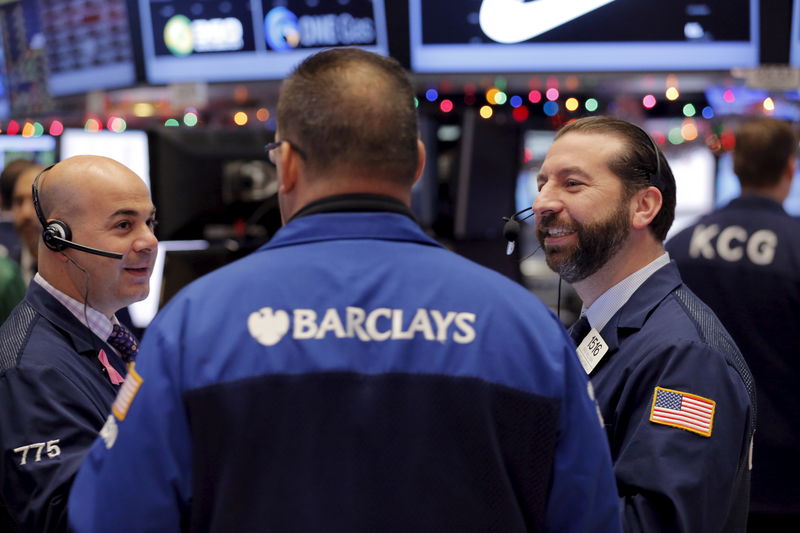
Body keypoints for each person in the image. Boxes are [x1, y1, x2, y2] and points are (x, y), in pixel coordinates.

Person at [68, 48, 621, 533]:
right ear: (418, 166)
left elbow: (109, 516)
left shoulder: (192, 325)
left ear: (284, 165)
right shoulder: (528, 331)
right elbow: (591, 516)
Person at [533, 116, 755, 532]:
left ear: (644, 206)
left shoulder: (686, 360)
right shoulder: (595, 331)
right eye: (543, 182)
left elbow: (652, 525)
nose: (544, 201)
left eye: (572, 183)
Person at [0, 155, 157, 532]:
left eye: (150, 222)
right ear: (59, 238)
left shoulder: (105, 331)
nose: (149, 241)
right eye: (124, 224)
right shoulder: (34, 371)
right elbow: (69, 517)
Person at [666, 117, 800, 532]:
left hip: (697, 461)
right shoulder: (796, 249)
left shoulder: (679, 246)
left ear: (735, 164)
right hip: (786, 474)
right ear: (790, 169)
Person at [10, 163, 46, 284]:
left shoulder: (80, 276)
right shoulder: (7, 269)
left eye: (36, 201)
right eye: (19, 201)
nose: (25, 213)